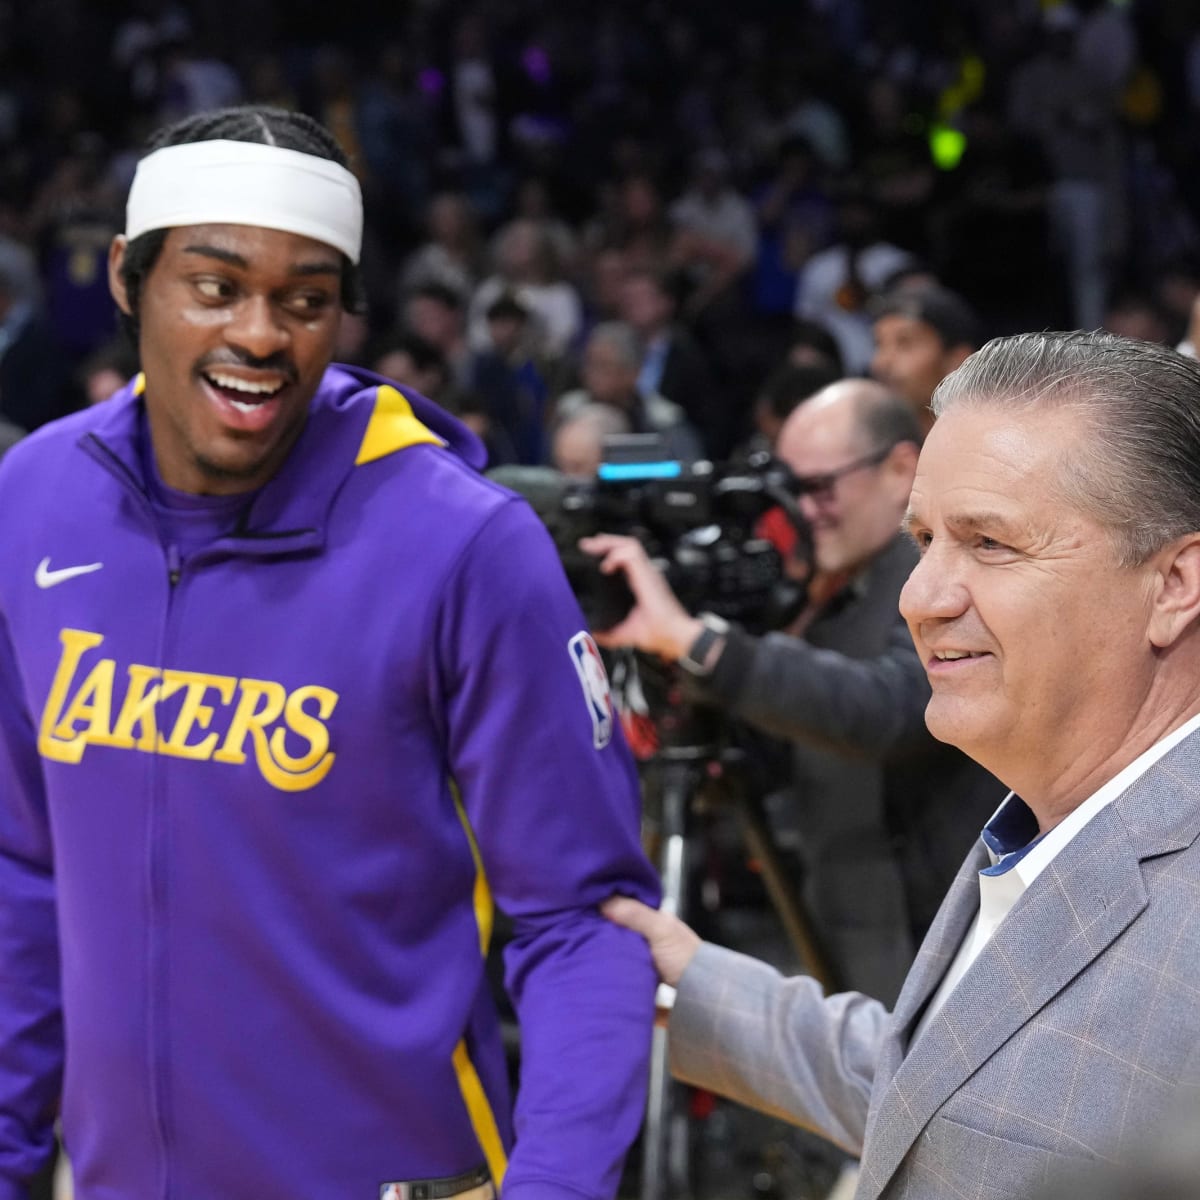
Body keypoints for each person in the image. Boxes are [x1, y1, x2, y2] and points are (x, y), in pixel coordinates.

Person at [0, 106, 660, 1200]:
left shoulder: (464, 545)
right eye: (215, 287)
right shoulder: (31, 502)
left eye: (306, 301)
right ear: (126, 278)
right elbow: (20, 873)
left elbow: (582, 925)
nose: (261, 334)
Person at [605, 331, 1200, 1199]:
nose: (920, 599)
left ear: (1176, 584)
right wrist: (682, 983)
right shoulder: (1048, 815)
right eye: (923, 541)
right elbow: (939, 1091)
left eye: (990, 543)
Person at [583, 379, 1001, 1003]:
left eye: (818, 488)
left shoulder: (945, 578)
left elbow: (886, 710)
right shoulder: (826, 590)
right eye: (789, 490)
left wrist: (703, 647)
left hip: (943, 950)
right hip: (853, 940)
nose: (803, 512)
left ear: (900, 468)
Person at [869, 284, 980, 435]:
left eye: (905, 343)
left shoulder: (989, 445)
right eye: (878, 344)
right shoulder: (865, 446)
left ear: (958, 360)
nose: (881, 362)